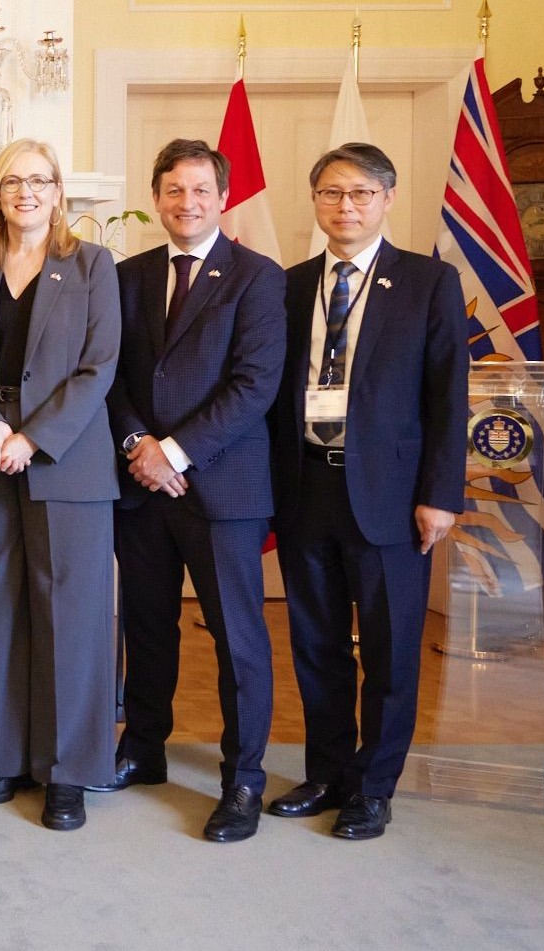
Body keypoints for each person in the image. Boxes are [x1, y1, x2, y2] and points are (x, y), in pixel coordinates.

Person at [267, 143, 466, 840]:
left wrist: (440, 493)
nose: (343, 206)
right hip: (304, 489)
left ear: (385, 198)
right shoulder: (288, 286)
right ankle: (325, 772)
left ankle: (373, 786)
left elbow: (448, 394)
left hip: (389, 494)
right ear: (314, 200)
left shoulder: (425, 282)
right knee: (316, 643)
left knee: (387, 649)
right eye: (329, 193)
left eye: (357, 193)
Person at [95, 138, 286, 844]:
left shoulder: (257, 278)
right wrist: (135, 446)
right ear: (156, 197)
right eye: (173, 189)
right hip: (139, 488)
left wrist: (173, 449)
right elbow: (106, 376)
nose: (186, 202)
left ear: (221, 196)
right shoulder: (125, 276)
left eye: (199, 189)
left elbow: (253, 386)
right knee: (146, 627)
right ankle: (142, 746)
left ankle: (242, 777)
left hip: (222, 490)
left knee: (237, 638)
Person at [0, 139, 122, 831]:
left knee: (69, 619)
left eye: (39, 180)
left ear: (59, 192)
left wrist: (32, 437)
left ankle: (67, 772)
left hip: (66, 459)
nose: (25, 191)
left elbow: (98, 367)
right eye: (12, 180)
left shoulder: (89, 264)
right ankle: (4, 758)